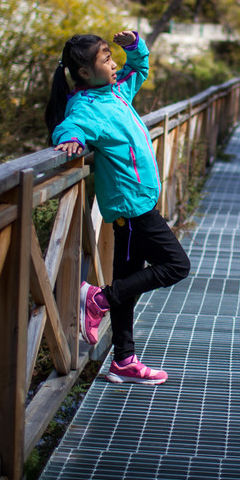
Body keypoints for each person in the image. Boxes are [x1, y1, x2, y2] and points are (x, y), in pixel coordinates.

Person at [44, 30, 190, 385]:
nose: (113, 65)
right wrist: (71, 141)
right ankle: (97, 299)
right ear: (83, 73)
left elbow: (138, 68)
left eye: (111, 58)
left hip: (137, 205)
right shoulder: (87, 106)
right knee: (176, 265)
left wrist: (133, 45)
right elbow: (70, 125)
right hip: (131, 209)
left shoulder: (116, 91)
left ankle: (124, 360)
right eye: (106, 60)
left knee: (128, 282)